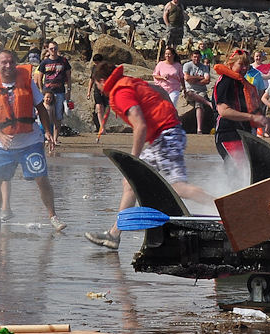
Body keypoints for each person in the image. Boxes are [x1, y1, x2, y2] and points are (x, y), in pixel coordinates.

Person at [84, 58, 214, 249]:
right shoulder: (129, 81)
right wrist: (168, 109)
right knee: (130, 182)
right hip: (165, 135)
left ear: (102, 81)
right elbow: (160, 90)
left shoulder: (119, 92)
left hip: (166, 136)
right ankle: (114, 235)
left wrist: (132, 160)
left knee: (176, 188)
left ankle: (224, 208)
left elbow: (140, 126)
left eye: (96, 83)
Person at [0, 49, 65, 232]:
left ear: (16, 63)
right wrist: (1, 136)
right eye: (4, 62)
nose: (8, 65)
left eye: (11, 61)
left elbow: (41, 109)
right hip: (4, 144)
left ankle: (53, 217)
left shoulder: (27, 81)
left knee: (41, 179)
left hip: (30, 142)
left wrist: (48, 132)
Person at [212, 49, 266, 161]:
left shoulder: (241, 83)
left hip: (243, 133)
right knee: (239, 169)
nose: (245, 68)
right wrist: (251, 117)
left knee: (247, 167)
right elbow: (224, 111)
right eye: (241, 65)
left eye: (247, 65)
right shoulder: (225, 82)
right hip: (228, 134)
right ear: (230, 64)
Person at [35, 41, 72, 155]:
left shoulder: (63, 61)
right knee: (45, 114)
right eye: (51, 49)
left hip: (60, 91)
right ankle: (45, 135)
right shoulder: (45, 62)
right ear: (48, 50)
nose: (53, 50)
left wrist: (69, 90)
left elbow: (68, 75)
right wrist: (41, 90)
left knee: (58, 116)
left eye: (55, 48)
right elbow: (39, 75)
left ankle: (55, 139)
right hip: (48, 91)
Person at [182, 48, 214, 134]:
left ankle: (199, 129)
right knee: (190, 93)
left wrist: (194, 81)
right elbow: (187, 78)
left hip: (201, 91)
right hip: (190, 91)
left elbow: (207, 80)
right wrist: (200, 78)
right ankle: (208, 103)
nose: (196, 59)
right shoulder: (187, 65)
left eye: (198, 57)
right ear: (191, 57)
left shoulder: (204, 67)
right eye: (195, 57)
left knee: (199, 104)